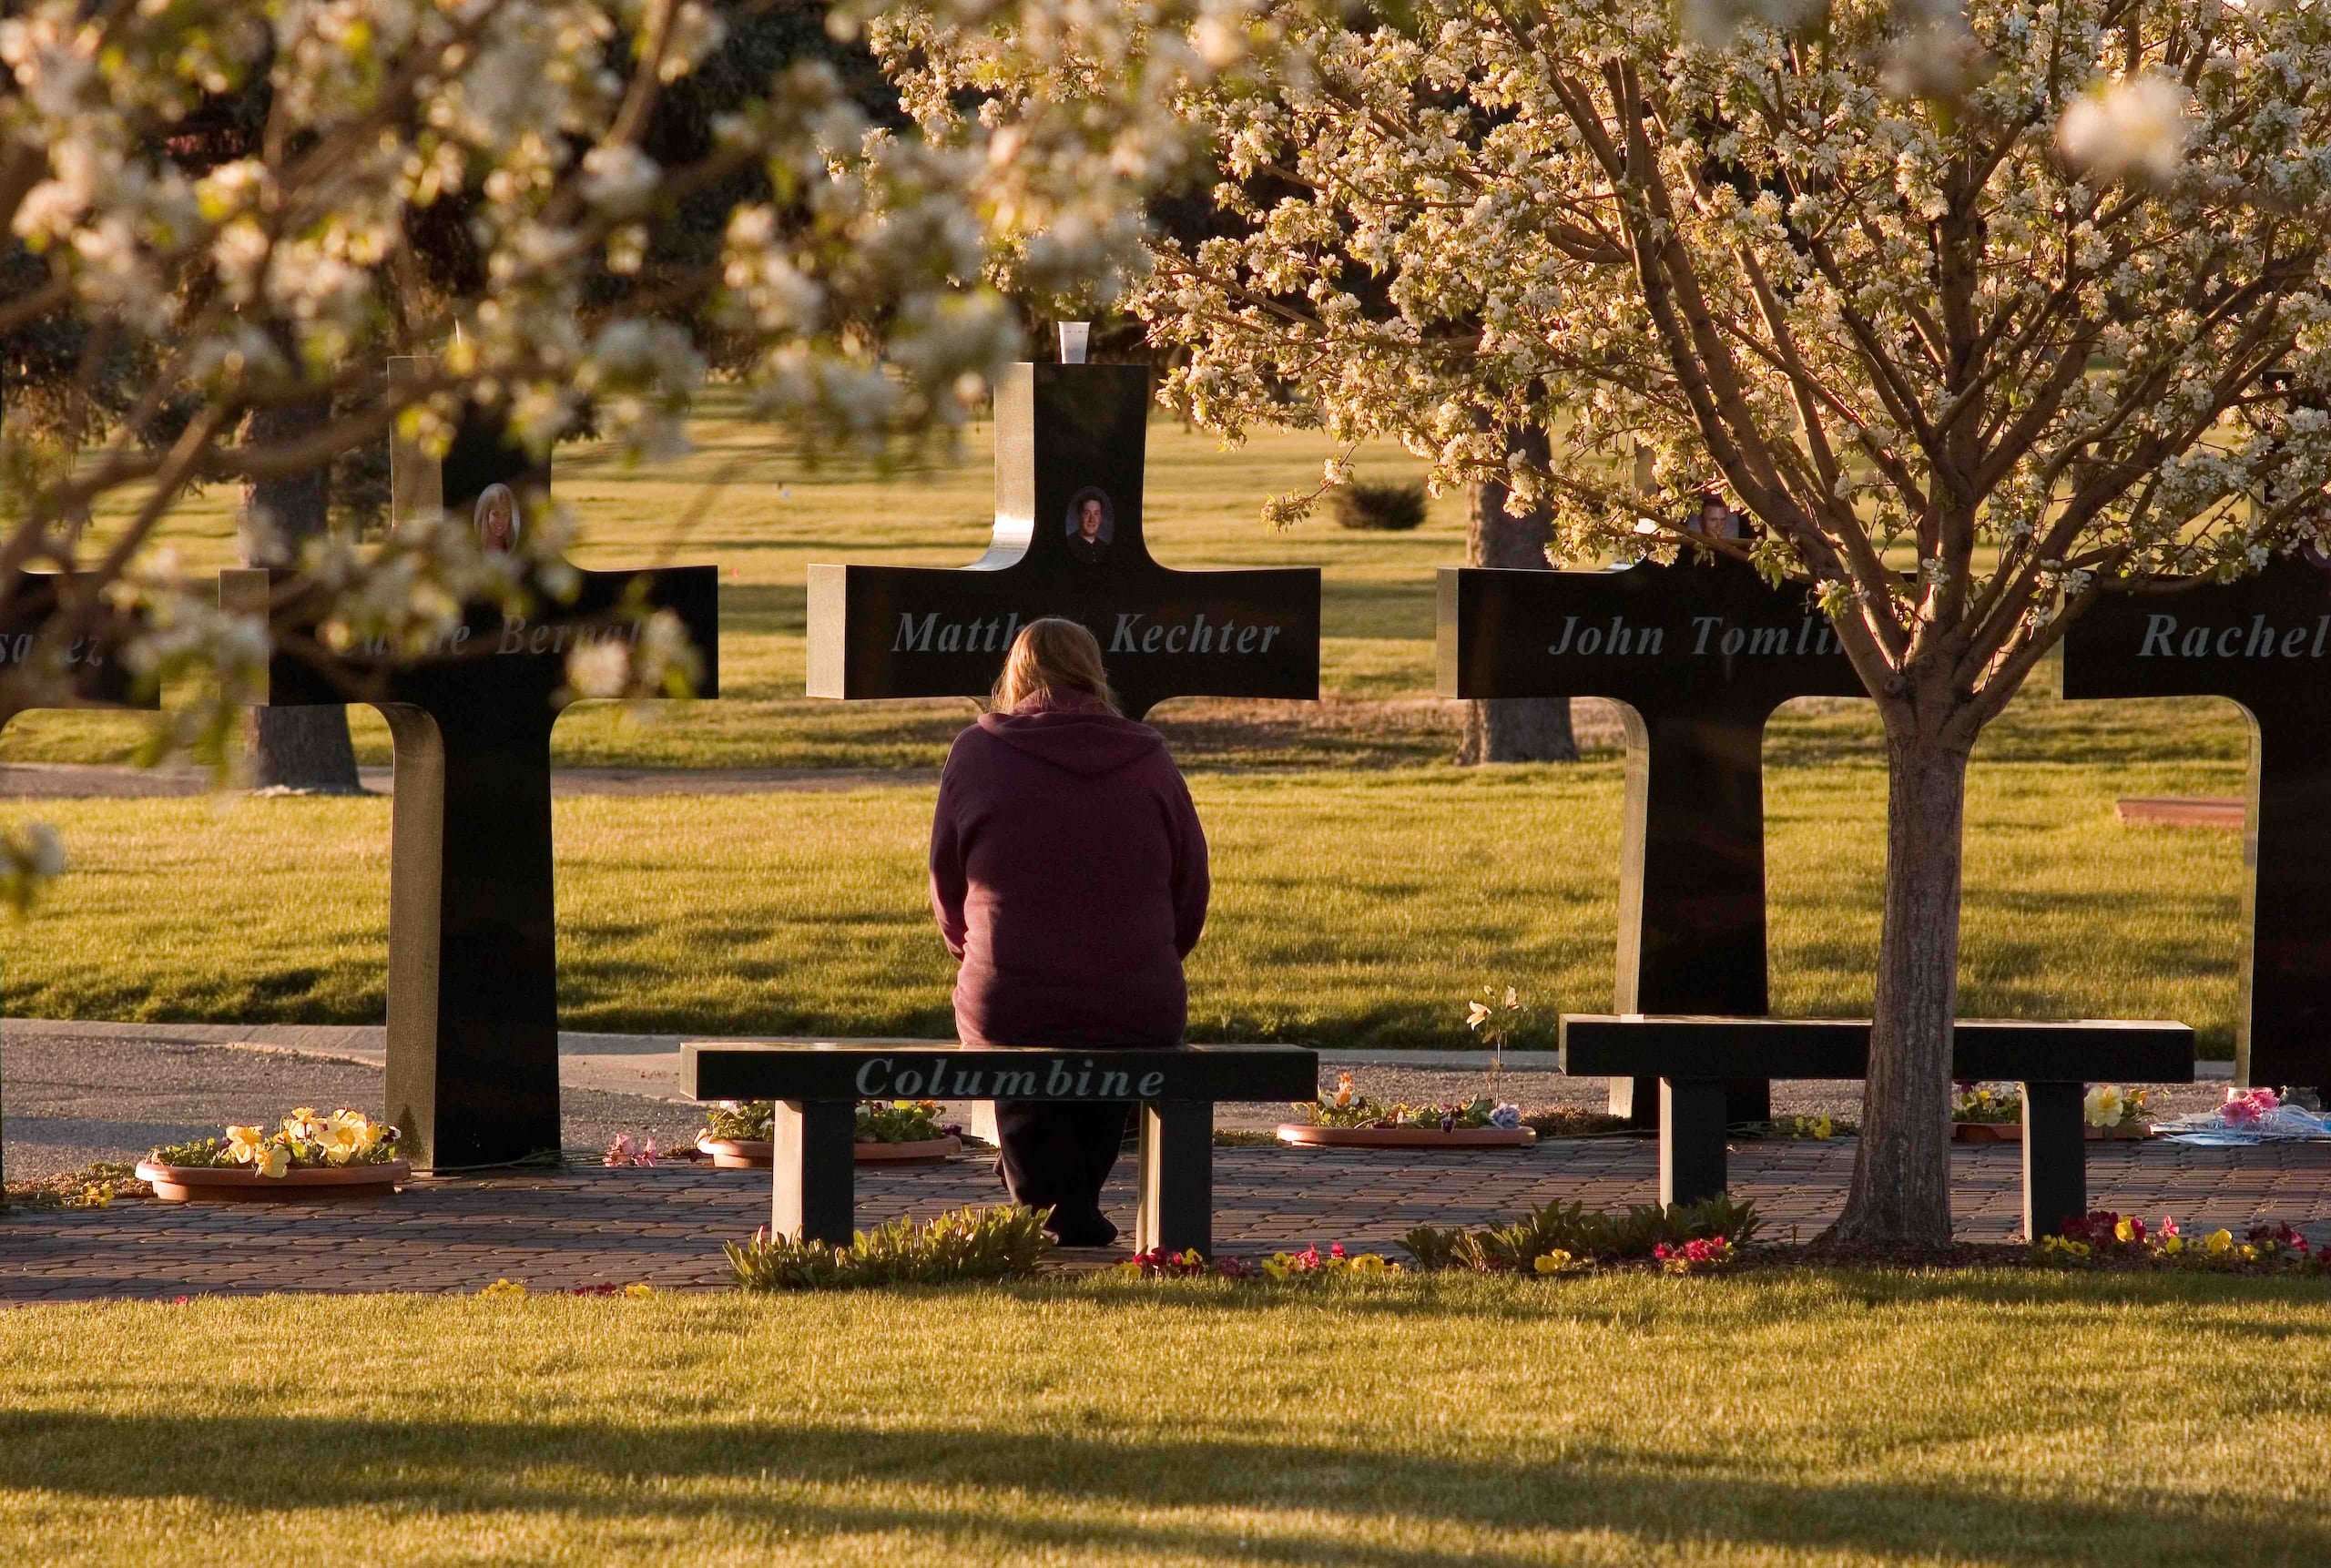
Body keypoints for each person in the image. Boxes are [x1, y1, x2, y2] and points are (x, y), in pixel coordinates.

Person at [928, 617, 1209, 1247]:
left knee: (1022, 1040)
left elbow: (947, 879)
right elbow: (1190, 886)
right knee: (1108, 1030)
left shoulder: (977, 751)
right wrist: (1152, 956)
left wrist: (967, 948)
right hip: (1137, 995)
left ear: (1017, 674)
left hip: (1011, 995)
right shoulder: (1150, 757)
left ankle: (1054, 1206)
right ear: (1094, 671)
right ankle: (1066, 1201)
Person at [474, 483, 520, 553]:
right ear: (486, 515)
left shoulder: (514, 549)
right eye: (495, 514)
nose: (500, 520)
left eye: (505, 515)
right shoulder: (475, 549)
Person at [1065, 493, 1111, 563]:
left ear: (1101, 517)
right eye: (1087, 513)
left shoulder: (1105, 547)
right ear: (1079, 516)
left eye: (1096, 513)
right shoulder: (1069, 544)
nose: (1092, 519)